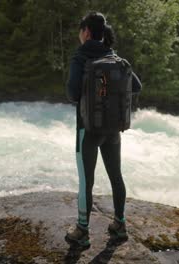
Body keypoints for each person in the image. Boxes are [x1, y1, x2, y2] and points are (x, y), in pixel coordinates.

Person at [64, 11, 142, 248]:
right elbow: (136, 86)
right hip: (113, 130)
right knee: (116, 176)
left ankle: (82, 231)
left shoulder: (81, 57)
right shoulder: (114, 57)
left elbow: (72, 94)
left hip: (87, 130)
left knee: (86, 181)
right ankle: (119, 224)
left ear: (86, 32)